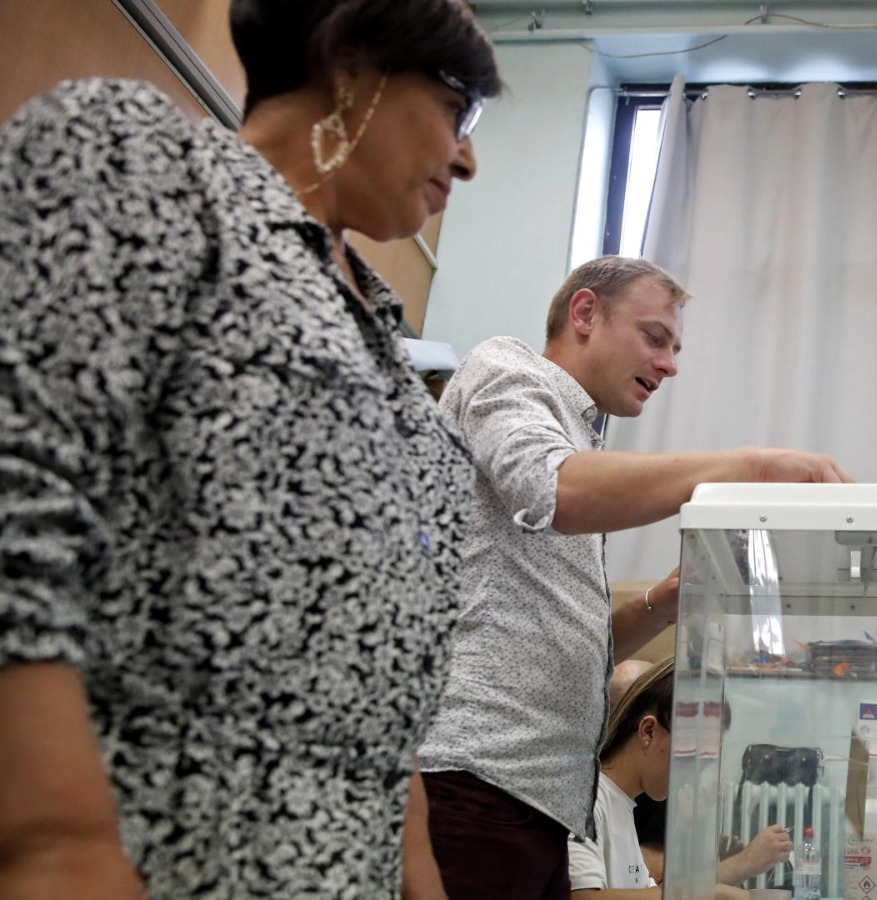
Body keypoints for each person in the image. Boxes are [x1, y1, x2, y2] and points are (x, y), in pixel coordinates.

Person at [0, 2, 501, 897]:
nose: (467, 158)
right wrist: (54, 844)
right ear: (351, 62)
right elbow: (19, 490)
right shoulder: (150, 165)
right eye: (460, 109)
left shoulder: (386, 335)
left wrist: (416, 870)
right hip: (165, 841)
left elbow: (382, 682)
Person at [417, 255, 851, 900]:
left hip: (545, 803)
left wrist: (666, 599)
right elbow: (555, 490)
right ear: (585, 313)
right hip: (476, 779)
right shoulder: (507, 370)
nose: (670, 363)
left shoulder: (584, 446)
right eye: (655, 337)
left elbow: (578, 650)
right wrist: (752, 465)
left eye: (676, 347)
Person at [571, 658, 790, 898]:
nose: (692, 779)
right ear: (649, 731)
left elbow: (649, 892)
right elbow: (581, 897)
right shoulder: (587, 798)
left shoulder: (622, 805)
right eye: (690, 759)